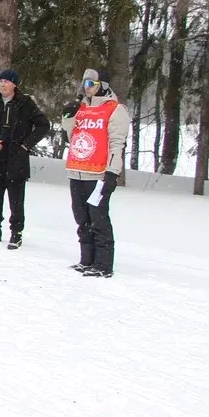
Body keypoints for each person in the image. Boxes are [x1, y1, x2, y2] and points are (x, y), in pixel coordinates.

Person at [62, 67, 130, 277]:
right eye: (85, 83)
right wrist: (68, 115)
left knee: (98, 218)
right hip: (77, 170)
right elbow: (70, 135)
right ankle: (87, 259)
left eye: (92, 83)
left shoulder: (115, 109)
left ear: (103, 85)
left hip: (98, 174)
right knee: (81, 217)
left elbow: (117, 143)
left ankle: (103, 264)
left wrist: (112, 172)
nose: (87, 88)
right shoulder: (81, 107)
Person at [0, 68, 50, 248]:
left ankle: (16, 233)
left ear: (14, 85)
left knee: (16, 198)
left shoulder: (25, 103)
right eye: (1, 81)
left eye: (7, 81)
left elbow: (43, 125)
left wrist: (26, 145)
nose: (3, 84)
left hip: (16, 158)